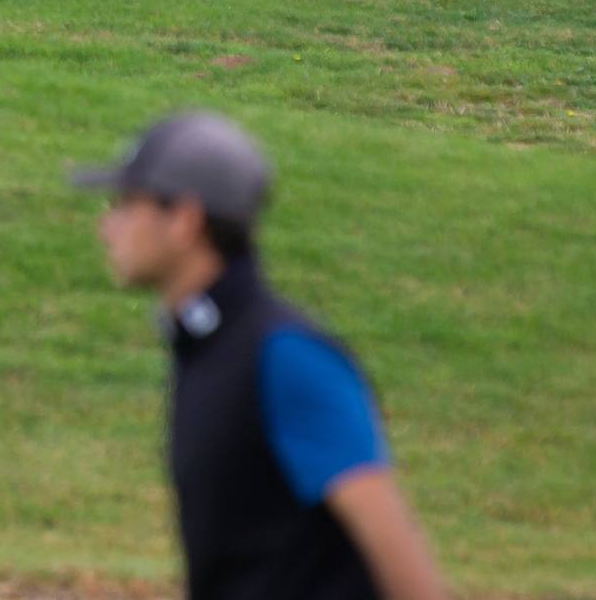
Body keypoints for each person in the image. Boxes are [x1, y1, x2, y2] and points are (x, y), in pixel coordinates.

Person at [72, 113, 452, 600]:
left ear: (184, 219)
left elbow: (405, 567)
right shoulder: (206, 348)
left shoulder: (285, 356)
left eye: (126, 204)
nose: (107, 226)